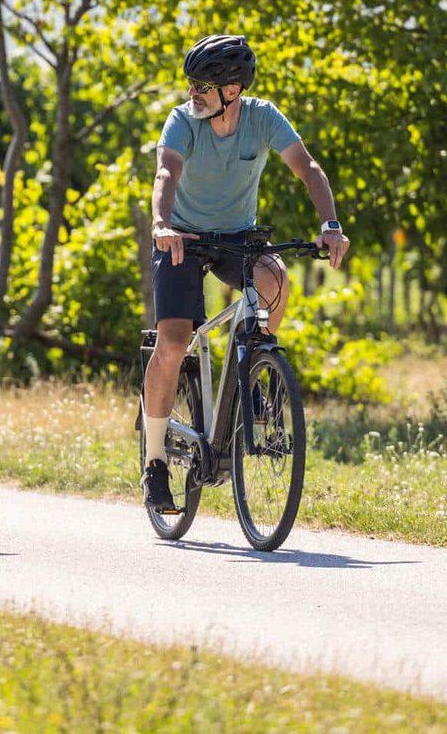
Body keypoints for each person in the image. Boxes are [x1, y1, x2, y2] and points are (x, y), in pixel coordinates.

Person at [141, 34, 350, 514]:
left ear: (231, 90)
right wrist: (161, 224)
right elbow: (166, 174)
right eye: (191, 84)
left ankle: (256, 372)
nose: (193, 93)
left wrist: (330, 224)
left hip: (238, 237)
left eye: (203, 86)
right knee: (173, 342)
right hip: (184, 238)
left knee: (275, 278)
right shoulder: (182, 122)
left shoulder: (262, 117)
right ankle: (154, 463)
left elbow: (308, 168)